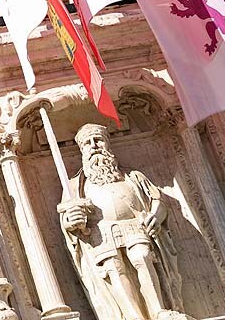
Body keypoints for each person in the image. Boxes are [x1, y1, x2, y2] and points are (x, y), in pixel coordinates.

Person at [59, 124, 185, 320]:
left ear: (107, 144)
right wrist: (72, 221)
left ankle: (159, 310)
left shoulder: (132, 176)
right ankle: (133, 316)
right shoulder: (76, 186)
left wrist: (155, 215)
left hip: (135, 226)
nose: (94, 146)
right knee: (113, 268)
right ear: (82, 150)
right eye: (87, 143)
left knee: (142, 256)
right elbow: (67, 218)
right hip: (102, 233)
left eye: (98, 140)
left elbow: (157, 199)